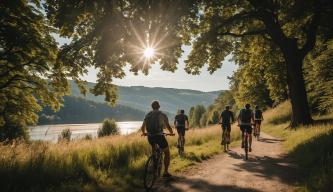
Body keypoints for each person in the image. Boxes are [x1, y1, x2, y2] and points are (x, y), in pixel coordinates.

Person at [141, 100, 175, 177]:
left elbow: (142, 127)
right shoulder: (162, 114)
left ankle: (154, 163)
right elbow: (168, 126)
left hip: (150, 137)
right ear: (159, 107)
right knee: (167, 152)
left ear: (152, 107)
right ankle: (165, 172)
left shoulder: (147, 115)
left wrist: (144, 133)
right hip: (159, 136)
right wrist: (171, 133)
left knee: (154, 147)